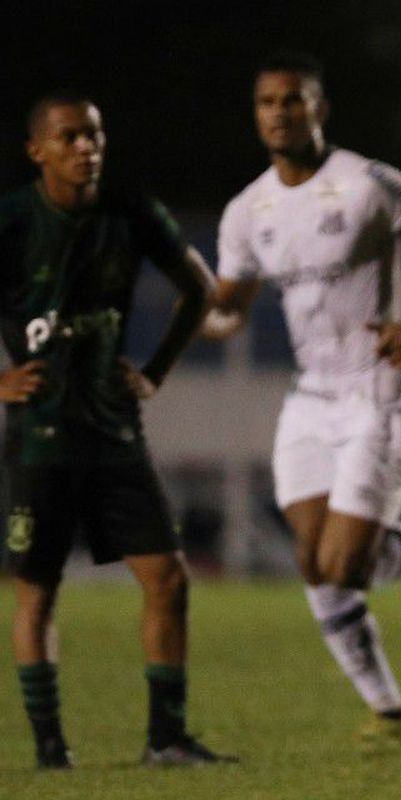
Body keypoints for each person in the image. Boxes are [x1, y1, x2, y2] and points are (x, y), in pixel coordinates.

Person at [204, 52, 401, 742]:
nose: (280, 112)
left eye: (293, 99)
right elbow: (230, 309)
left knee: (345, 565)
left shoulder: (368, 183)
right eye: (267, 103)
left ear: (319, 108)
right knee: (317, 566)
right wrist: (201, 317)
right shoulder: (248, 210)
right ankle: (391, 714)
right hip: (309, 398)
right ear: (257, 116)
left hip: (380, 391)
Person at [0, 94, 230, 767]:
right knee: (38, 593)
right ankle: (50, 751)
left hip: (114, 433)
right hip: (41, 437)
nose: (85, 148)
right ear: (37, 150)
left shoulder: (129, 212)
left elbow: (200, 288)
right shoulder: (13, 220)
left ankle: (167, 738)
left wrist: (155, 371)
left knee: (169, 579)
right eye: (68, 137)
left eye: (94, 136)